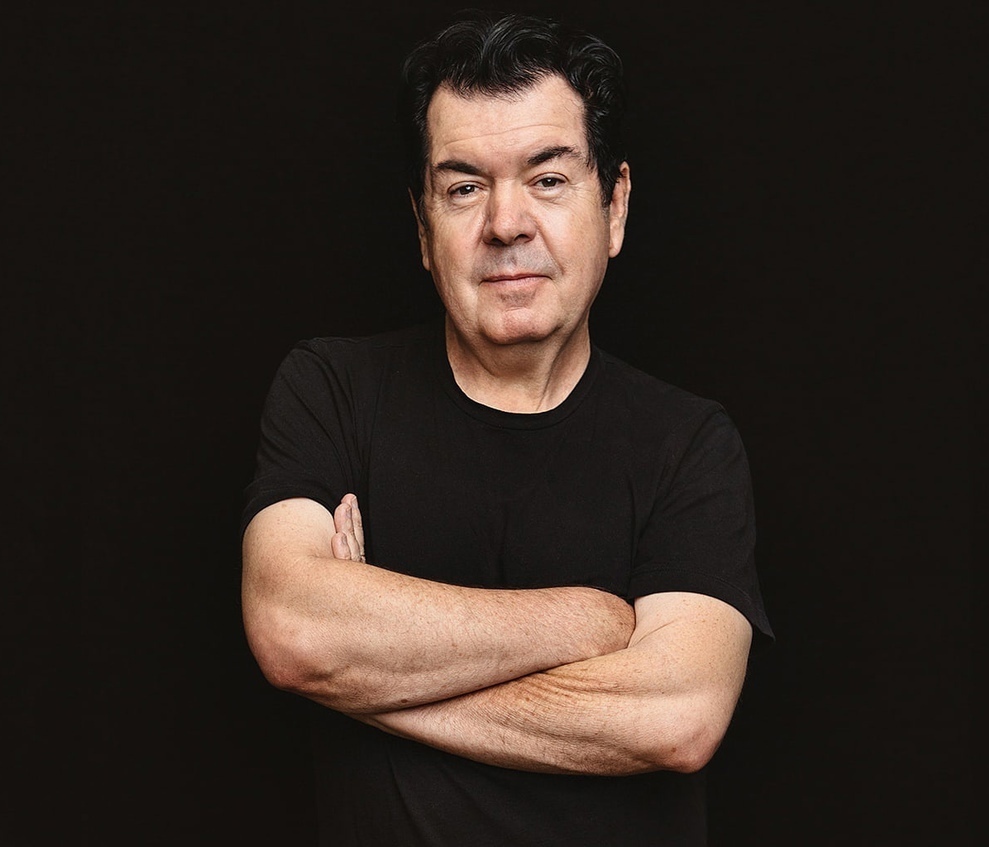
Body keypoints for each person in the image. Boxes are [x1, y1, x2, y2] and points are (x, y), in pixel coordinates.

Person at [240, 11, 773, 845]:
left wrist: (367, 681)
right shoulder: (332, 391)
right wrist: (588, 620)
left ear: (615, 206)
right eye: (464, 188)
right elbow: (293, 628)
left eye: (547, 179)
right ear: (423, 228)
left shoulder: (690, 443)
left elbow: (677, 715)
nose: (506, 223)